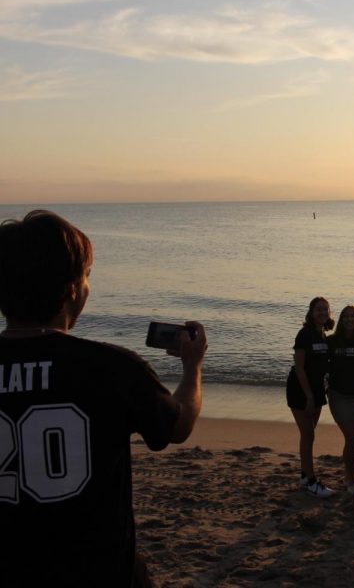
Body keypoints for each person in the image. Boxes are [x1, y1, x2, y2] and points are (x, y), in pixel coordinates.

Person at [0, 210, 207, 586]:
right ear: (72, 290)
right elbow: (178, 425)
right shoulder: (111, 369)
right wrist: (192, 367)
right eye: (87, 276)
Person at [287, 297, 335, 498]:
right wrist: (308, 396)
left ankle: (305, 477)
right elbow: (299, 368)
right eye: (319, 309)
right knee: (309, 435)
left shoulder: (323, 334)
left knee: (308, 435)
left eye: (325, 309)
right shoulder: (304, 334)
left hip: (316, 390)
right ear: (311, 312)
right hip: (300, 390)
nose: (322, 313)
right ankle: (312, 482)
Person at [327, 305, 354, 492]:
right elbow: (317, 363)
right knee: (351, 436)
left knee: (353, 439)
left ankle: (348, 476)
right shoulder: (331, 342)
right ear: (341, 320)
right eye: (346, 316)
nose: (350, 319)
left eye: (353, 316)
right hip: (338, 395)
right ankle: (350, 479)